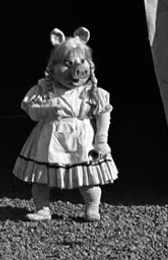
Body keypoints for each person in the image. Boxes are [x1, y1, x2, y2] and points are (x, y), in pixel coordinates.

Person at [12, 27, 117, 222]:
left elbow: (103, 114)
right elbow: (32, 113)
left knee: (88, 178)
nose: (75, 70)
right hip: (49, 138)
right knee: (41, 177)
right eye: (68, 64)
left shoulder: (91, 92)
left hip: (82, 139)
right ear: (54, 67)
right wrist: (45, 111)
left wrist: (101, 140)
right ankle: (42, 208)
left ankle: (92, 208)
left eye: (81, 62)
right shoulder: (44, 89)